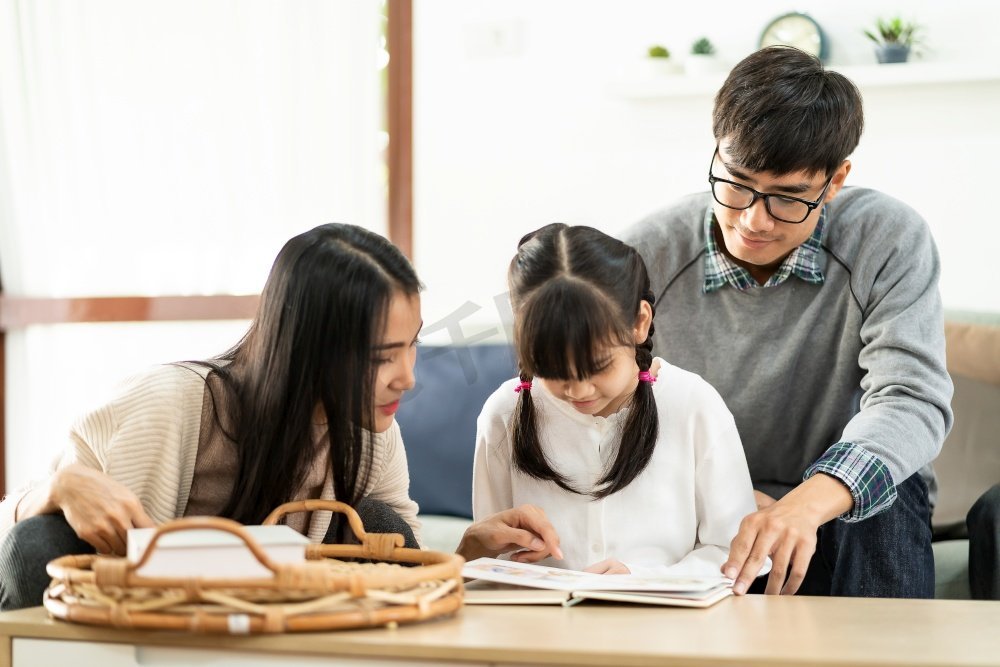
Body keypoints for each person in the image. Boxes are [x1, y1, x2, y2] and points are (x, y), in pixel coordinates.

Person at [0, 222, 557, 610]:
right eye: (382, 357)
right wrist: (60, 485)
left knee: (379, 522)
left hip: (252, 618)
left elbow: (403, 572)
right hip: (125, 607)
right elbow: (41, 544)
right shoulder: (173, 404)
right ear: (307, 348)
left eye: (411, 346)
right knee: (39, 545)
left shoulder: (370, 430)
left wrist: (467, 552)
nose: (408, 377)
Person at [621, 46, 954, 597]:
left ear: (836, 180)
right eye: (737, 183)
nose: (754, 220)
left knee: (883, 496)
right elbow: (607, 404)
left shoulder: (888, 238)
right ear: (716, 152)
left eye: (788, 198)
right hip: (701, 502)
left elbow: (911, 399)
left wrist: (808, 502)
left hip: (842, 504)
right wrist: (719, 493)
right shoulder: (645, 253)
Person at [470, 223, 759, 577]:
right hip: (543, 628)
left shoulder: (693, 404)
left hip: (670, 627)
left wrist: (643, 580)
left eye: (597, 367)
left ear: (639, 322)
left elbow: (735, 552)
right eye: (552, 370)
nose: (577, 391)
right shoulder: (504, 413)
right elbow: (490, 557)